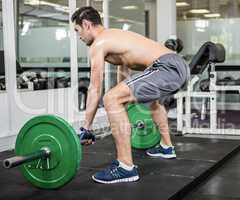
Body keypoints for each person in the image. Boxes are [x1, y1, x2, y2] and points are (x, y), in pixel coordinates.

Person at [72, 6, 189, 184]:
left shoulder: (99, 43)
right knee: (151, 101)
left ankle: (125, 167)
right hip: (176, 66)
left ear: (87, 24)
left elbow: (95, 88)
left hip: (166, 67)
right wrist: (122, 105)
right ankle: (166, 147)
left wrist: (86, 128)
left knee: (110, 98)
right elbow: (124, 74)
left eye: (77, 30)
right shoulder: (115, 37)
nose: (78, 36)